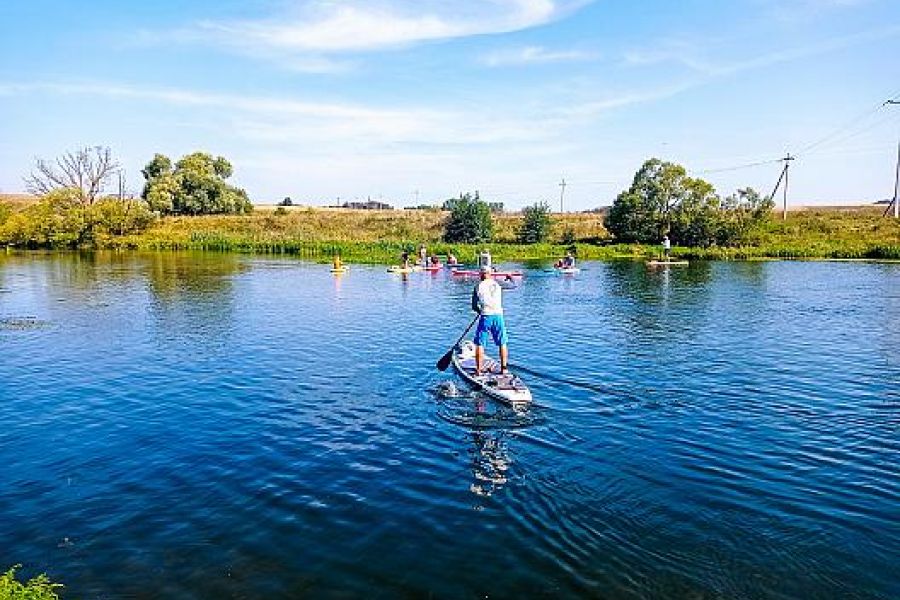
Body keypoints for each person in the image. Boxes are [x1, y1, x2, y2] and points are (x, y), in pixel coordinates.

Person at [471, 265, 509, 376]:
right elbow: (512, 285)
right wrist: (510, 278)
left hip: (486, 316)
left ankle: (478, 370)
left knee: (480, 343)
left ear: (481, 274)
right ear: (490, 273)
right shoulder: (498, 284)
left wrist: (479, 310)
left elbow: (474, 306)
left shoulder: (478, 286)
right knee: (502, 343)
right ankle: (504, 369)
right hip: (498, 316)